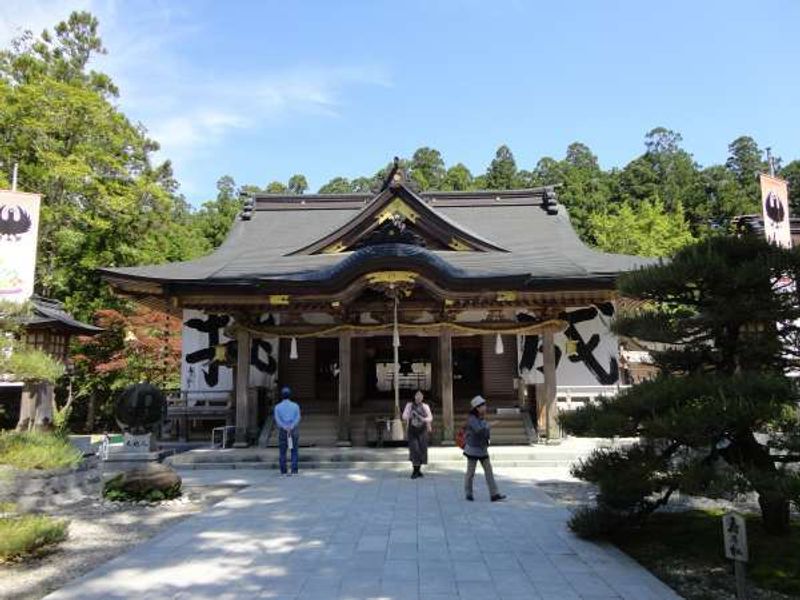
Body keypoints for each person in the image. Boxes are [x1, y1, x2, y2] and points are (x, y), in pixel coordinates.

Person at [463, 395, 506, 502]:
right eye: (483, 406)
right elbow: (478, 430)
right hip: (473, 449)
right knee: (470, 473)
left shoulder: (482, 417)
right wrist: (490, 425)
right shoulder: (471, 418)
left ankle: (494, 494)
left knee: (489, 471)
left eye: (485, 405)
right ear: (477, 408)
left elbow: (484, 432)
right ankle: (468, 493)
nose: (485, 407)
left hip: (482, 449)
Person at [402, 390, 433, 479]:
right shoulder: (409, 405)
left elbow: (430, 417)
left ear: (423, 397)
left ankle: (418, 470)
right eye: (417, 395)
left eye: (421, 395)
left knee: (422, 450)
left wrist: (423, 418)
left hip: (422, 431)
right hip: (412, 431)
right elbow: (404, 416)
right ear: (414, 396)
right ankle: (415, 470)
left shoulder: (425, 406)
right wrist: (410, 415)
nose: (419, 397)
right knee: (414, 449)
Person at [274, 386, 301, 475]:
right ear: (290, 395)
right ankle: (294, 469)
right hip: (293, 430)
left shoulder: (277, 407)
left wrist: (284, 427)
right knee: (294, 450)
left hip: (283, 430)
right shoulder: (295, 406)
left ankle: (283, 470)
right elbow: (298, 417)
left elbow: (277, 419)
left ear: (282, 395)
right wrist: (291, 426)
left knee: (282, 451)